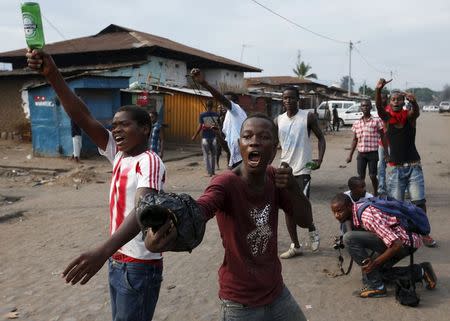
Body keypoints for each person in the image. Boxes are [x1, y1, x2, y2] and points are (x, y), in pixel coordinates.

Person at [26, 49, 168, 321]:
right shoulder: (119, 155)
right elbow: (83, 116)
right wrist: (53, 74)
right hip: (119, 263)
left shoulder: (149, 161)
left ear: (145, 129)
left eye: (124, 125)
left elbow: (143, 211)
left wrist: (102, 251)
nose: (116, 131)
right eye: (114, 126)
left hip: (139, 266)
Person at [145, 114, 312, 320]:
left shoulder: (274, 177)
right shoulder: (225, 183)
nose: (254, 142)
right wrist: (169, 228)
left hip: (276, 293)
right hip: (240, 303)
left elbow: (305, 221)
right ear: (239, 144)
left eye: (263, 137)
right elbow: (202, 208)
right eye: (247, 137)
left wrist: (293, 188)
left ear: (275, 146)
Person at [330, 193, 437, 298]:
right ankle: (421, 271)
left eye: (339, 211)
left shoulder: (367, 216)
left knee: (349, 238)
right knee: (372, 275)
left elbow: (396, 244)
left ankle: (377, 287)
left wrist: (375, 263)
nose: (336, 216)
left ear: (349, 206)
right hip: (400, 240)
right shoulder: (356, 209)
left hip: (405, 243)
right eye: (334, 212)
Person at [375, 78, 436, 247]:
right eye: (393, 99)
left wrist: (414, 102)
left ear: (403, 102)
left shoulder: (410, 118)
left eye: (399, 99)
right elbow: (379, 108)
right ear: (390, 102)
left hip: (414, 167)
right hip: (395, 170)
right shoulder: (387, 119)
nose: (396, 102)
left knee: (419, 202)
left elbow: (416, 112)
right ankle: (401, 235)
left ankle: (424, 233)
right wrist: (378, 90)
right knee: (396, 206)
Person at [276, 86, 326, 257]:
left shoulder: (308, 116)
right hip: (284, 170)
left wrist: (319, 159)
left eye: (291, 98)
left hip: (303, 169)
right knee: (288, 209)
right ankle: (295, 246)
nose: (288, 101)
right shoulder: (279, 120)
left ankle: (311, 227)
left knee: (301, 207)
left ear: (298, 99)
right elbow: (275, 144)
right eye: (285, 98)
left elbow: (321, 138)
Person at [190, 68, 247, 168]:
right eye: (220, 104)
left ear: (234, 103)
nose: (221, 105)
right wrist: (217, 133)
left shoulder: (236, 110)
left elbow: (221, 99)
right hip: (235, 161)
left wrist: (204, 84)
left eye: (223, 103)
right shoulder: (226, 121)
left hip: (244, 159)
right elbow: (227, 148)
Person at [346, 99, 386, 196]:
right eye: (363, 106)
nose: (365, 108)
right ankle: (362, 194)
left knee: (372, 175)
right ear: (360, 108)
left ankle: (375, 192)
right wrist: (350, 155)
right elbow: (355, 140)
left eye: (367, 106)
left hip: (373, 153)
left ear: (370, 107)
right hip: (361, 154)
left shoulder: (376, 121)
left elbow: (383, 137)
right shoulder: (357, 123)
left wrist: (387, 154)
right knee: (361, 177)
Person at [192, 100, 219, 176]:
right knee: (213, 155)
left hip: (205, 138)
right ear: (212, 106)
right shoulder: (216, 115)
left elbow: (200, 126)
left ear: (206, 106)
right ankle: (213, 171)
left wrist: (195, 135)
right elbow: (218, 126)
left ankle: (209, 172)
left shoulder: (202, 115)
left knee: (206, 155)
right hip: (214, 137)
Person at [377, 93, 389, 195]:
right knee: (381, 165)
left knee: (397, 164)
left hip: (393, 143)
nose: (382, 100)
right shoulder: (378, 111)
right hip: (382, 143)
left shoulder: (390, 109)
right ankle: (381, 187)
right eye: (380, 99)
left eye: (384, 98)